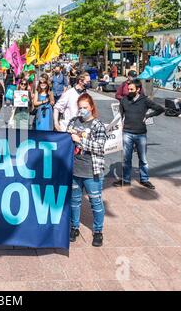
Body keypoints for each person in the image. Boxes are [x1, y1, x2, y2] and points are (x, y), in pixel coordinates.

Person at [67, 93, 107, 247]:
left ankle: (98, 231)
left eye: (85, 107)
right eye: (80, 107)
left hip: (92, 170)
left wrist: (80, 141)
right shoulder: (73, 122)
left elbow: (99, 147)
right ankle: (74, 227)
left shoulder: (98, 125)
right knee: (75, 201)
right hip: (74, 168)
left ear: (91, 107)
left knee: (95, 201)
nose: (82, 110)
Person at [113, 80, 165, 190]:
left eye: (132, 89)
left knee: (143, 158)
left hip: (141, 134)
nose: (129, 91)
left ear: (138, 89)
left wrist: (149, 115)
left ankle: (144, 179)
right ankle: (126, 180)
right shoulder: (124, 100)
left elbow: (160, 109)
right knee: (127, 158)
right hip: (127, 132)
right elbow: (120, 115)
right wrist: (119, 123)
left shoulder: (145, 100)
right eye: (128, 89)